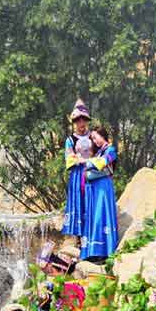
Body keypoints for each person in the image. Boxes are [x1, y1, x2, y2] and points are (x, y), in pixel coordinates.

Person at [80, 126, 118, 262]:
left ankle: (105, 251)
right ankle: (93, 251)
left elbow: (102, 164)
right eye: (93, 139)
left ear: (103, 135)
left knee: (101, 216)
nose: (94, 141)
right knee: (94, 216)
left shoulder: (111, 150)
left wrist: (86, 163)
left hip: (103, 188)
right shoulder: (98, 153)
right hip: (95, 189)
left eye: (95, 137)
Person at [62, 99, 95, 241]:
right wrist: (79, 160)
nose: (81, 124)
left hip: (93, 173)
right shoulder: (70, 140)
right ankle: (79, 238)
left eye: (84, 121)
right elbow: (69, 158)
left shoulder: (94, 136)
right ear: (74, 123)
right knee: (78, 202)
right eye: (78, 121)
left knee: (91, 201)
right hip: (77, 175)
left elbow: (101, 153)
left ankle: (93, 234)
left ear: (87, 121)